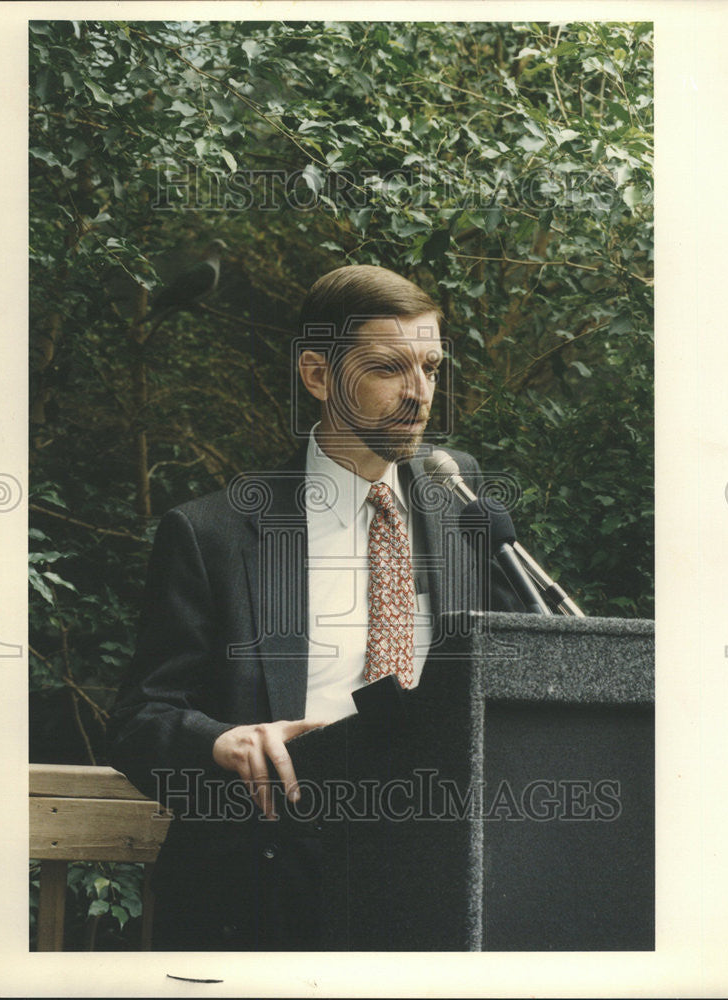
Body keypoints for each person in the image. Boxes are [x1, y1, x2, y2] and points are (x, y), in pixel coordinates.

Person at [108, 263, 524, 950]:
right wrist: (223, 740)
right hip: (273, 874)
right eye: (390, 368)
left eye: (431, 366)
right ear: (316, 376)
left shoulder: (457, 498)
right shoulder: (211, 533)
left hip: (435, 866)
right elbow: (139, 718)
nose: (420, 394)